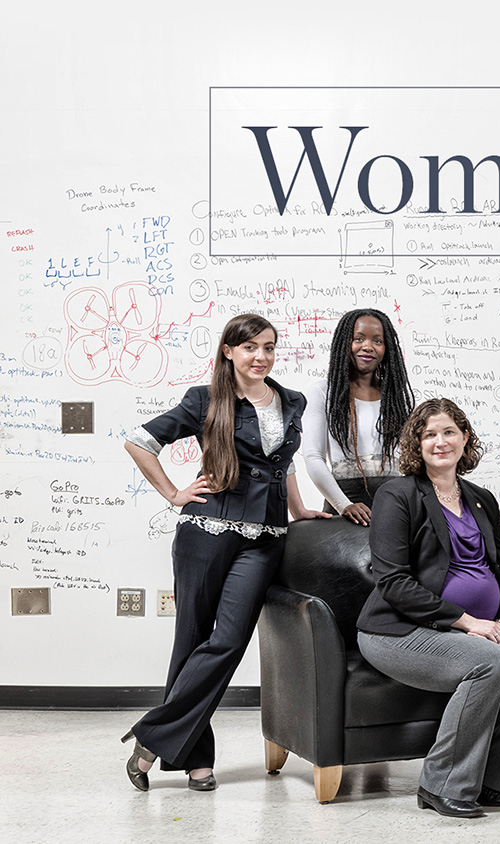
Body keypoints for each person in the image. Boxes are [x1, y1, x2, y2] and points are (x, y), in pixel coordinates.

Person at [121, 313, 329, 792]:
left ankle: (152, 735)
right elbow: (140, 441)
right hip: (207, 531)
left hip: (265, 537)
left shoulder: (290, 400)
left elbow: (285, 464)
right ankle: (197, 760)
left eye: (269, 348)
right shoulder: (206, 399)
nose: (261, 357)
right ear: (229, 351)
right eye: (251, 347)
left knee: (229, 641)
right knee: (192, 641)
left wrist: (298, 510)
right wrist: (174, 493)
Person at [355, 398, 500, 818]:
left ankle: (490, 779)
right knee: (491, 663)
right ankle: (440, 785)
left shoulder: (481, 498)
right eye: (429, 434)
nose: (440, 442)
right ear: (417, 443)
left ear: (465, 437)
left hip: (478, 628)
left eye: (449, 432)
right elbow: (393, 582)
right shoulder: (397, 495)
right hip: (399, 631)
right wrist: (469, 622)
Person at [302, 308, 415, 525]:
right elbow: (314, 457)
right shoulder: (324, 392)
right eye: (359, 338)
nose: (368, 346)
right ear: (345, 342)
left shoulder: (396, 398)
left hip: (395, 505)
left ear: (387, 348)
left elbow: (412, 459)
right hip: (345, 504)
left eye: (378, 341)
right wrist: (344, 505)